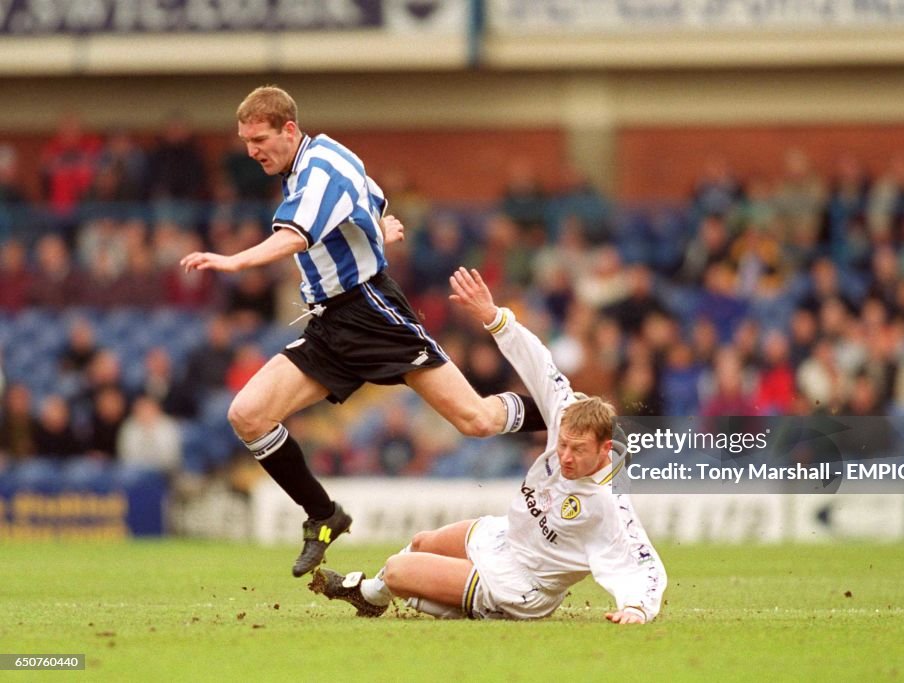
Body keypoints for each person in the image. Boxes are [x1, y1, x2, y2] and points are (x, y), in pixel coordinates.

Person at [180, 86, 541, 577]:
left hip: (371, 312)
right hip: (330, 323)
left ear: (289, 129)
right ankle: (324, 515)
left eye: (259, 139)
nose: (252, 151)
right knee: (248, 415)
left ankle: (569, 413)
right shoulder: (319, 160)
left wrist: (234, 259)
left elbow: (294, 236)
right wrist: (377, 230)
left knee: (475, 419)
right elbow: (368, 202)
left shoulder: (319, 169)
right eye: (245, 141)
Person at [309, 267, 666, 624]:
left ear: (605, 450)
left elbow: (642, 560)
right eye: (563, 445)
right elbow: (539, 362)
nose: (566, 456)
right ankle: (409, 598)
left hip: (521, 585)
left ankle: (379, 595)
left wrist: (636, 608)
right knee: (421, 543)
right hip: (505, 537)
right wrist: (495, 317)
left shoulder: (608, 503)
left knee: (398, 571)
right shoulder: (567, 415)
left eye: (578, 450)